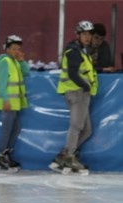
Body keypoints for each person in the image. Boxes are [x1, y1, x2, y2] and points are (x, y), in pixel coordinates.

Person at [51, 20, 98, 173]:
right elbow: (72, 73)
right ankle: (70, 157)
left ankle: (63, 155)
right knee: (77, 126)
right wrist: (85, 86)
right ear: (77, 35)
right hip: (76, 92)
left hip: (82, 93)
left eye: (89, 34)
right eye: (84, 34)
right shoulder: (74, 51)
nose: (87, 37)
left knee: (87, 129)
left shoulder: (83, 51)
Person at [0, 35, 30, 171]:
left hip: (14, 103)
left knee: (15, 129)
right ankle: (0, 157)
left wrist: (22, 60)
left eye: (18, 49)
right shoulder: (5, 62)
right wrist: (5, 100)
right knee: (7, 129)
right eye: (13, 49)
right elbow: (2, 84)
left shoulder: (15, 62)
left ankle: (6, 154)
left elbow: (27, 72)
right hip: (8, 103)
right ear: (7, 49)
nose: (16, 52)